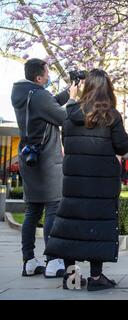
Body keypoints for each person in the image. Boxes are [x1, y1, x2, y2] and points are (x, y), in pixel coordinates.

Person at [44, 69, 128, 291]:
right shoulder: (111, 115)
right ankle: (95, 277)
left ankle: (71, 277)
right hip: (102, 181)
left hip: (74, 180)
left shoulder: (70, 114)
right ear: (107, 89)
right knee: (98, 224)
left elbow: (67, 142)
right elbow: (123, 147)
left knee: (71, 223)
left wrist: (72, 98)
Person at [11, 58, 77, 278]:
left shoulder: (25, 93)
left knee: (33, 210)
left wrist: (68, 91)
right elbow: (63, 116)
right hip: (46, 160)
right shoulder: (39, 96)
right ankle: (52, 260)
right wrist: (75, 98)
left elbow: (50, 103)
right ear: (39, 77)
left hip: (29, 157)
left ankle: (28, 261)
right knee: (53, 208)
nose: (49, 77)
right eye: (47, 74)